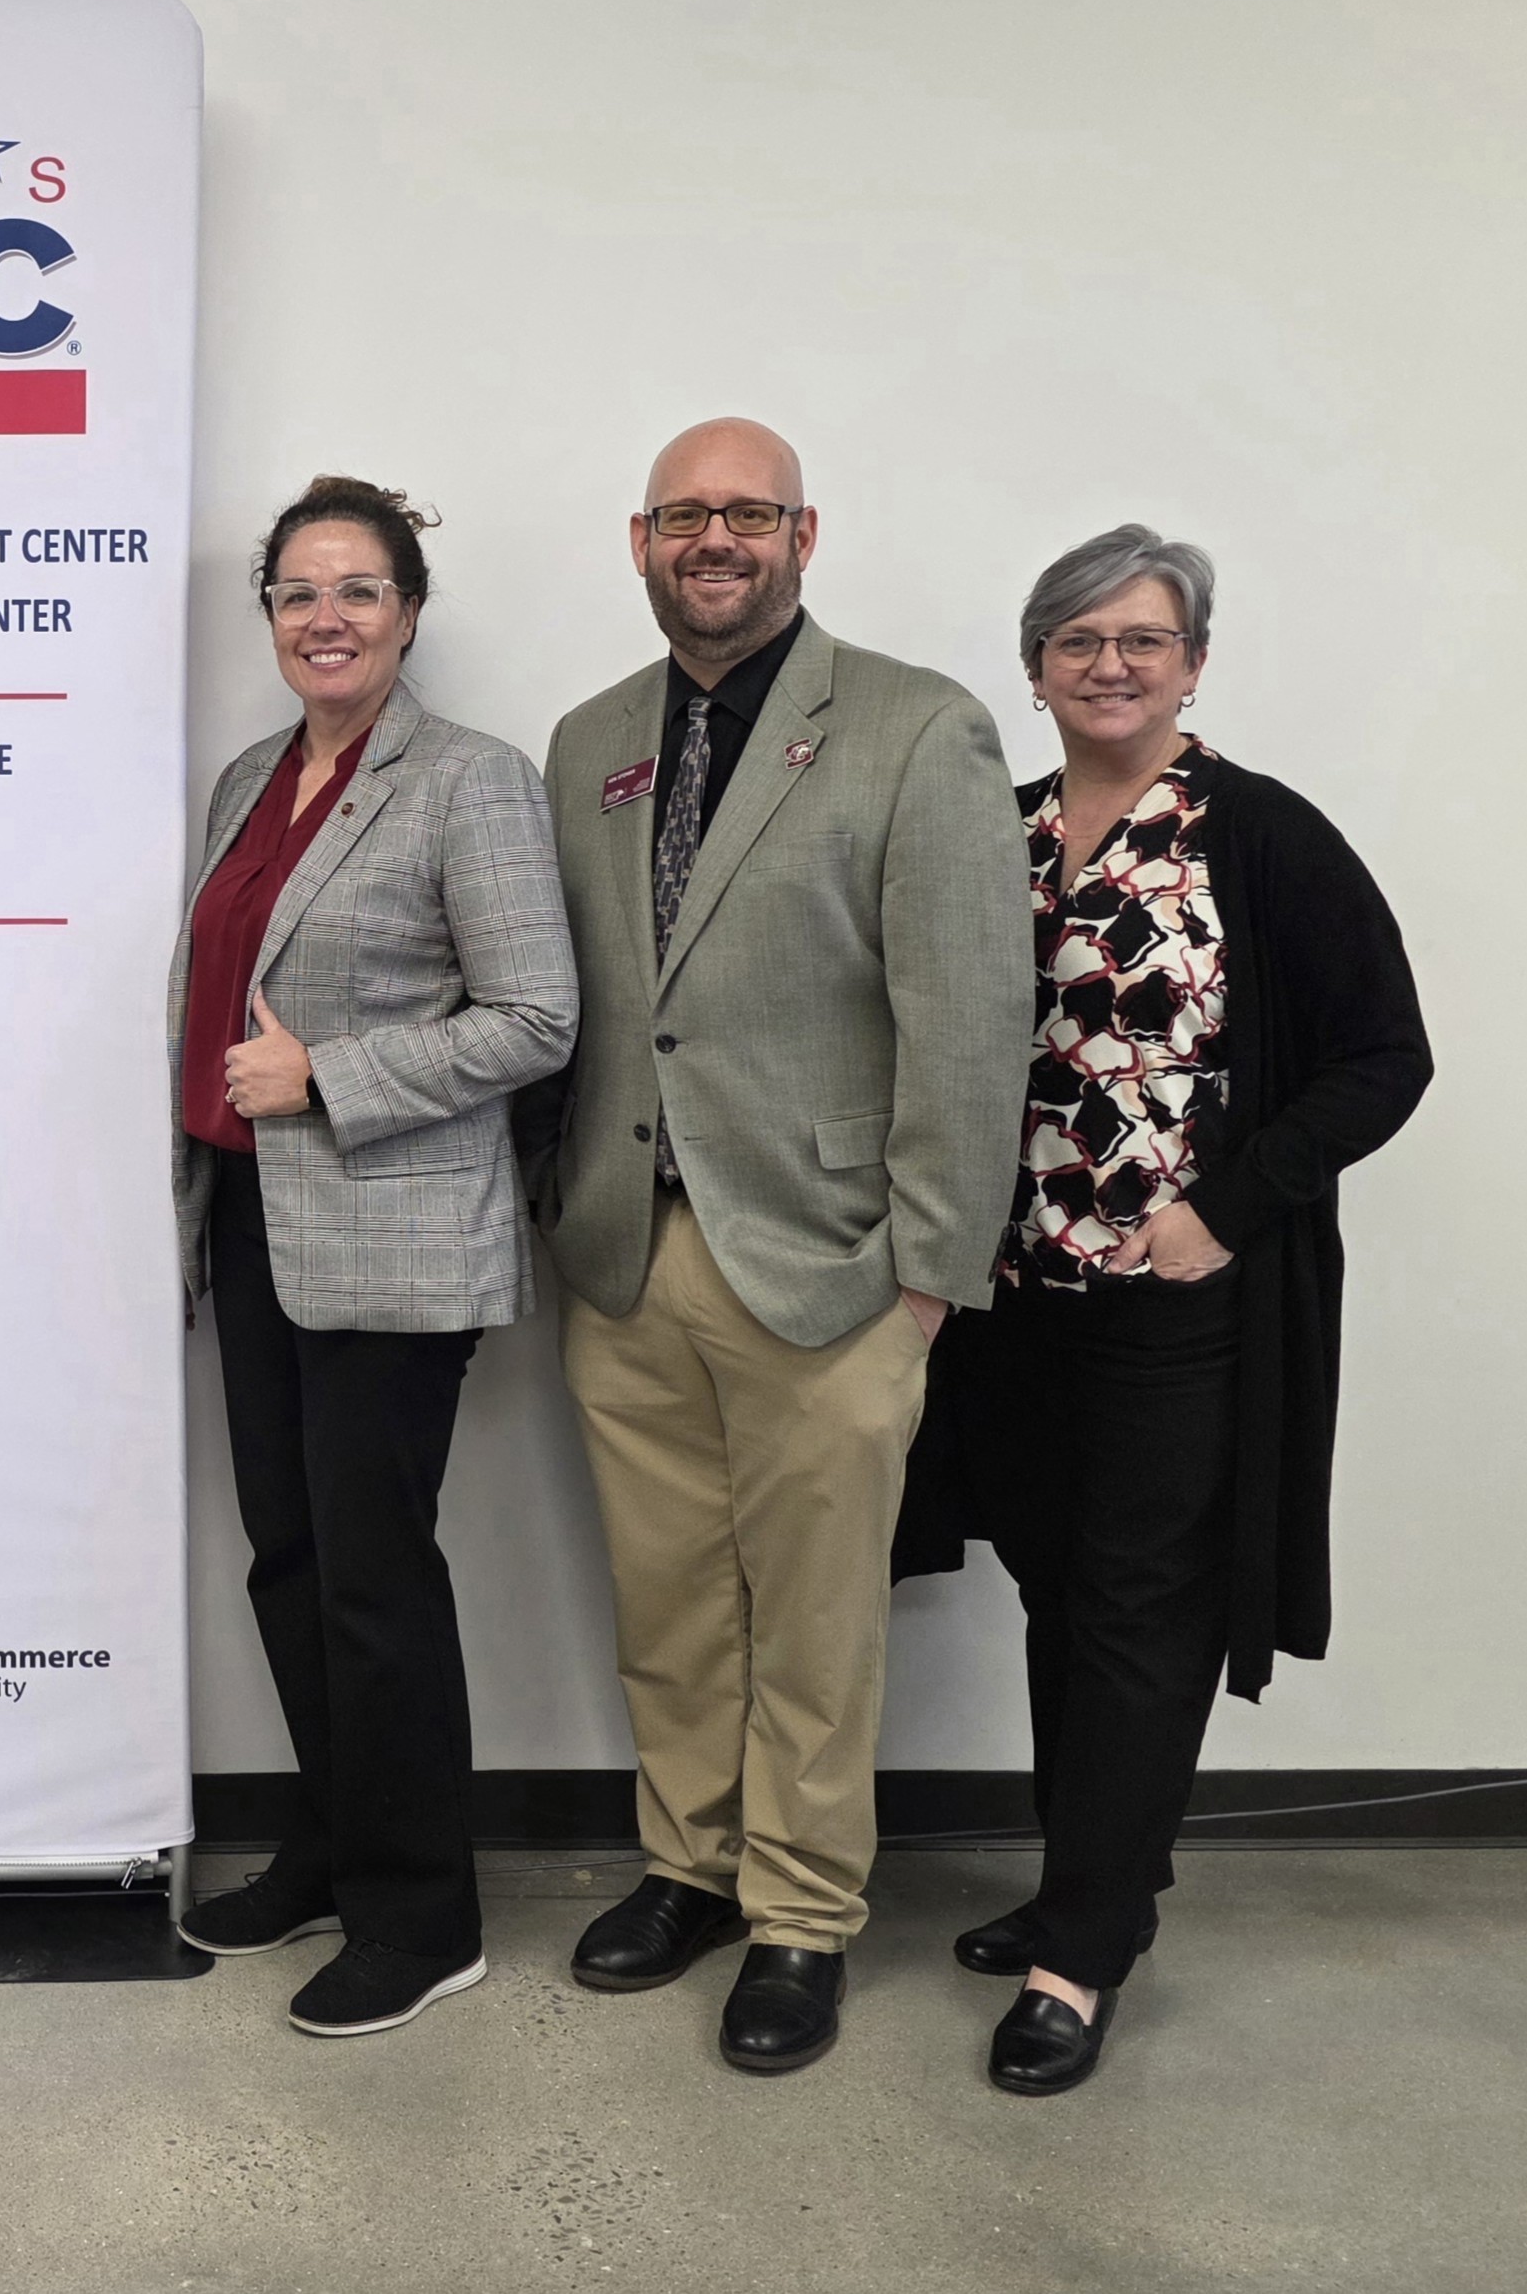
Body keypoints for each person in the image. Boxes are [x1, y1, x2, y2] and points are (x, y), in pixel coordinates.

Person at [894, 526, 1431, 2094]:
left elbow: (1381, 1057)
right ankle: (1097, 1877)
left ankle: (1079, 1954)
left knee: (1143, 1613)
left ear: (1191, 662)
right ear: (1035, 665)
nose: (1108, 664)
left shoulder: (1258, 836)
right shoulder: (995, 838)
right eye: (1076, 640)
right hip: (1015, 1298)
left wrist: (1224, 1211)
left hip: (1173, 1303)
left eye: (1140, 639)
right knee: (1058, 1594)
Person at [521, 418, 1027, 2073]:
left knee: (814, 1619)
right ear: (639, 539)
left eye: (746, 512)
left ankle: (801, 1915)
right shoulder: (587, 736)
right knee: (669, 1602)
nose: (713, 538)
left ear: (805, 533)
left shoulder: (912, 727)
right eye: (685, 514)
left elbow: (969, 1016)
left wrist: (929, 1274)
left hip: (833, 1261)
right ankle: (691, 1864)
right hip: (627, 1250)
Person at [167, 476, 578, 2037]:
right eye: (294, 593)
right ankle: (336, 1850)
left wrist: (327, 1074)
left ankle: (423, 1916)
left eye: (355, 591)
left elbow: (537, 1021)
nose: (322, 618)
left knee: (374, 1579)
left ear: (407, 613)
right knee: (290, 1560)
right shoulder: (246, 781)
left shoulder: (465, 783)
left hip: (392, 1236)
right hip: (256, 1223)